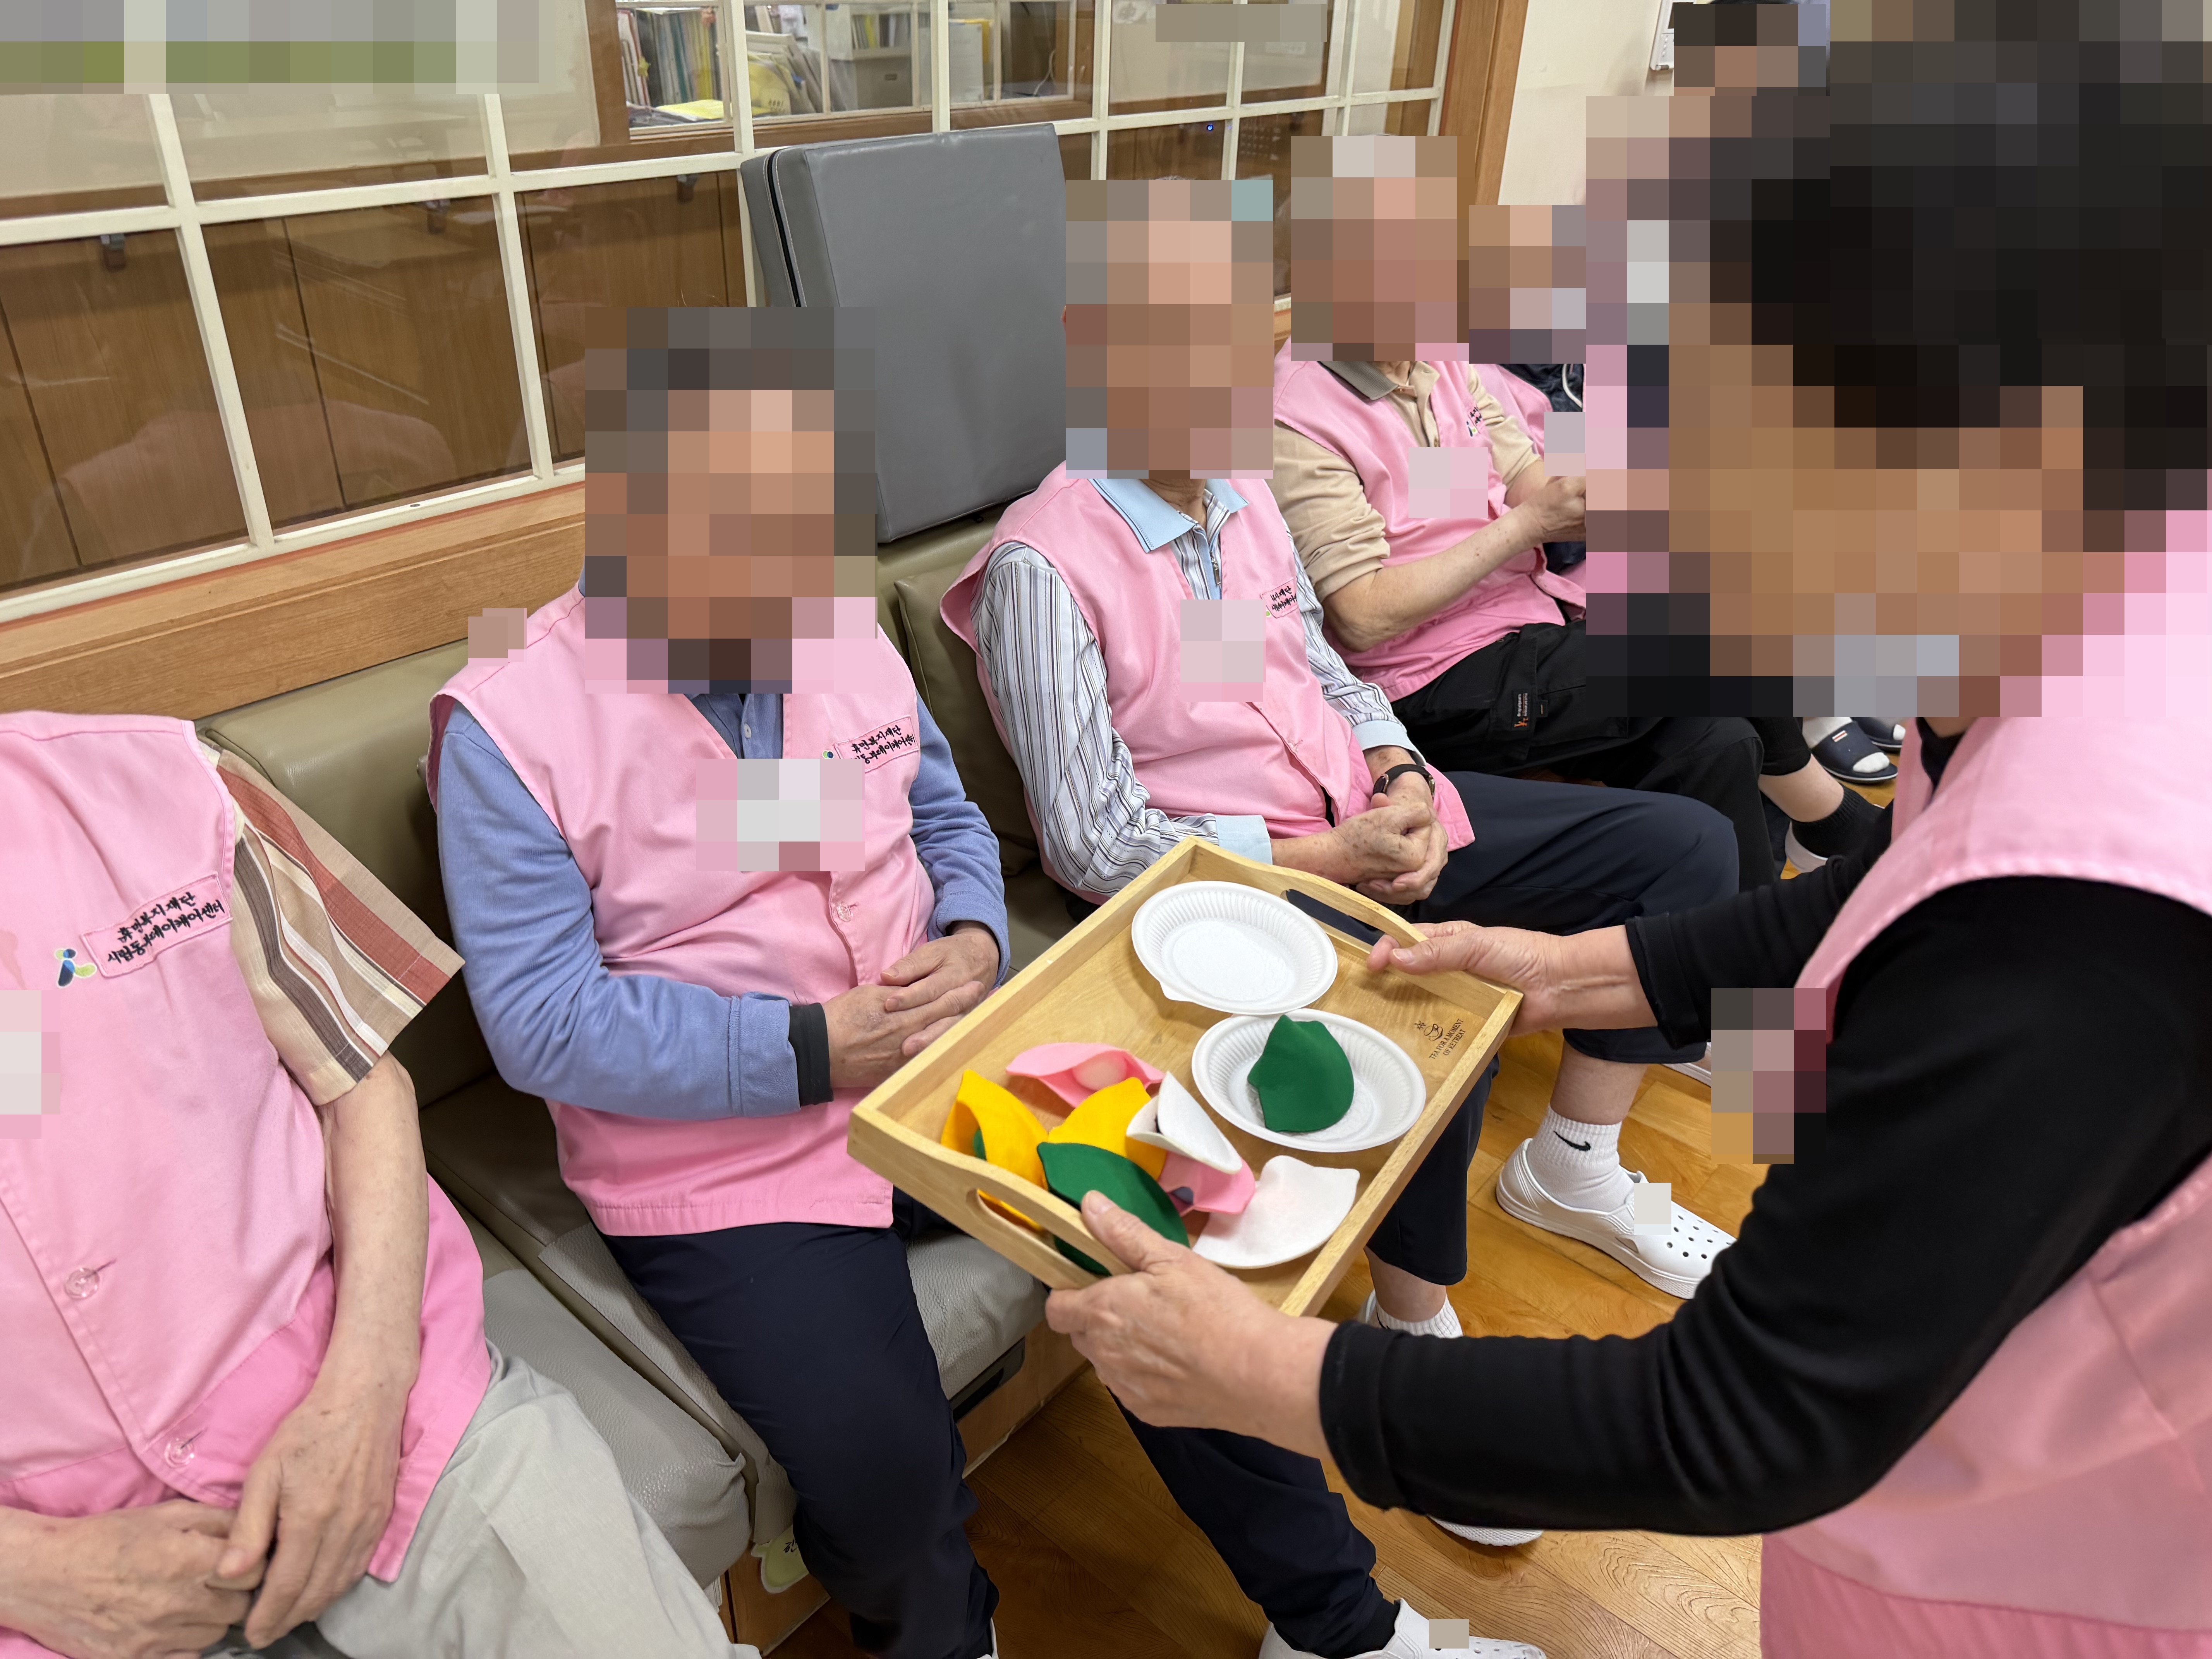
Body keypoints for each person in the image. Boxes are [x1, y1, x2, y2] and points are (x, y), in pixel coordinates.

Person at [432, 304, 1531, 1659]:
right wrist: (808, 1046)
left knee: (1178, 1282)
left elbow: (942, 814)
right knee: (888, 1485)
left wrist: (970, 932)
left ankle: (1341, 1631)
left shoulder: (829, 624)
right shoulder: (509, 726)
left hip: (948, 1061)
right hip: (726, 1156)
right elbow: (541, 1023)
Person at [941, 177, 1736, 1622]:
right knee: (1416, 983)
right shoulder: (1044, 566)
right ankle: (1416, 1332)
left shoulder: (1241, 492)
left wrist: (1400, 771)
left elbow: (1323, 660)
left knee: (1679, 848)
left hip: (1360, 823)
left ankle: (1572, 1166)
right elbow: (1096, 843)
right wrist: (1330, 862)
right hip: (1225, 895)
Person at [1041, 714, 2212, 1656]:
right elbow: (1891, 889)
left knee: (1702, 786)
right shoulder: (2047, 688)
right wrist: (1568, 971)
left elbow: (1747, 1420)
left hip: (2046, 1577)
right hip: (1962, 1498)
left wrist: (1261, 1369)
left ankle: (1566, 1177)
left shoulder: (2080, 914)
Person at [0, 713, 743, 1659]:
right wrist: (26, 1568)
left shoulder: (172, 780)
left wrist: (365, 1392)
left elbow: (360, 1079)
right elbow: (552, 1018)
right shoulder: (510, 727)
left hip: (379, 1393)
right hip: (49, 1580)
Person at [1269, 135, 1884, 889]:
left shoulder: (1439, 360)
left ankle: (1753, 939)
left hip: (1534, 628)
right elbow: (1363, 616)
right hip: (1436, 680)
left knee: (1719, 739)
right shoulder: (1296, 412)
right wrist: (1530, 526)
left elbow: (1526, 479)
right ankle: (1835, 826)